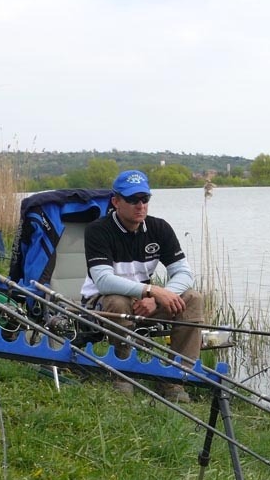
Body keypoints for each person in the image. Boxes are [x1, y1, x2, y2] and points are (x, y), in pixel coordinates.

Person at [81, 169, 204, 402]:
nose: (140, 206)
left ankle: (176, 378)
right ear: (116, 201)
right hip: (101, 303)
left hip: (144, 302)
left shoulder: (159, 228)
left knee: (193, 299)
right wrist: (151, 290)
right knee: (117, 301)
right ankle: (123, 373)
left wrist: (157, 298)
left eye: (144, 199)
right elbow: (104, 281)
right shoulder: (98, 230)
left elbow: (184, 273)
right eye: (132, 200)